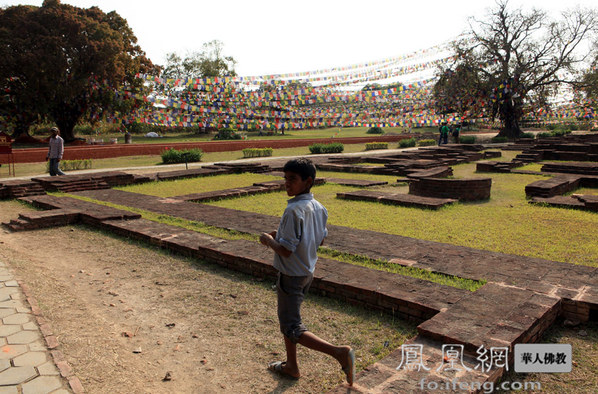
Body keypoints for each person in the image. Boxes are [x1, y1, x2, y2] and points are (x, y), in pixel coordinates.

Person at [260, 158, 355, 386]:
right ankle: (291, 365)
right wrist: (280, 236)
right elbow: (319, 239)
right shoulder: (319, 207)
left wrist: (268, 241)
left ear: (308, 181)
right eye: (285, 178)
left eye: (292, 179)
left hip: (291, 275)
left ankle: (339, 353)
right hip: (306, 272)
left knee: (292, 326)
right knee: (289, 320)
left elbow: (285, 251)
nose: (287, 184)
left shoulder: (293, 210)